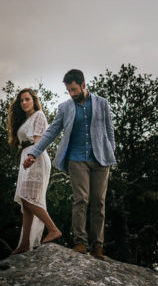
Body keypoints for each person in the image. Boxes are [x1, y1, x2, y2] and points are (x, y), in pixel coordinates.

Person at [25, 69, 116, 259]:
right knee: (81, 199)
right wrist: (34, 152)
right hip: (76, 159)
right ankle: (80, 242)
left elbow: (110, 131)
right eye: (68, 90)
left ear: (83, 85)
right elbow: (51, 132)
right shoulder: (65, 107)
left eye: (74, 89)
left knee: (99, 202)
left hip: (100, 160)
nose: (71, 94)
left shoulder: (102, 103)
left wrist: (110, 153)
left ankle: (97, 245)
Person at [7, 88, 62, 254]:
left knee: (28, 197)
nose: (24, 102)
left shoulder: (39, 115)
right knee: (25, 201)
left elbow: (38, 140)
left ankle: (53, 229)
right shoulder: (24, 120)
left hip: (35, 156)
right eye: (21, 100)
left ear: (34, 101)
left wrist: (32, 156)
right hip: (26, 155)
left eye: (27, 99)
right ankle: (25, 243)